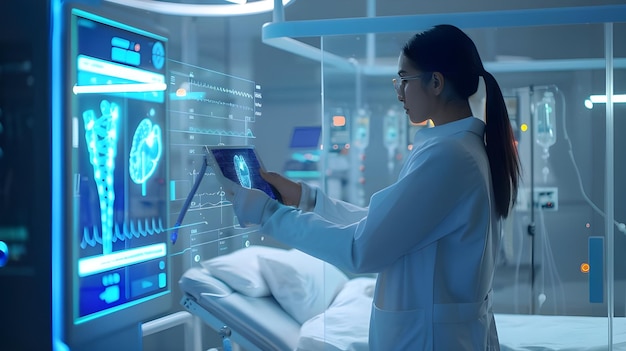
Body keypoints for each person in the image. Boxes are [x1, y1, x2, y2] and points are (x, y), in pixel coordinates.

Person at [222, 24, 520, 351]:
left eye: (404, 80)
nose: (398, 92)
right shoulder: (461, 149)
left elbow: (361, 251)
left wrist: (269, 214)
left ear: (435, 83)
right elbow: (385, 226)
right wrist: (304, 199)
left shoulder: (449, 156)